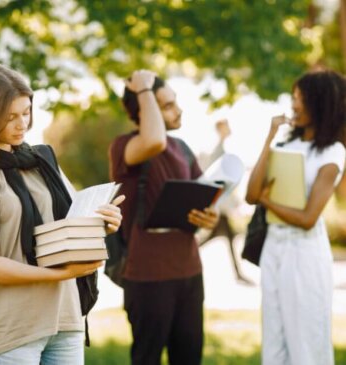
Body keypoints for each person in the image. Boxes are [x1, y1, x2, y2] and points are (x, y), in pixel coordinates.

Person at [0, 63, 124, 365]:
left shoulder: (41, 161)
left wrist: (104, 224)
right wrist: (55, 275)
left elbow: (71, 225)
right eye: (10, 117)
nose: (22, 124)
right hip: (12, 328)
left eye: (26, 112)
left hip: (65, 318)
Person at [109, 69, 219, 365]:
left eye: (175, 102)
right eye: (167, 106)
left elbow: (208, 193)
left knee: (189, 358)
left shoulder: (182, 148)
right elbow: (154, 140)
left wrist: (211, 215)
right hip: (147, 277)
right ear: (145, 109)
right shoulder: (125, 147)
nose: (179, 110)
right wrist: (144, 87)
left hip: (189, 272)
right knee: (147, 359)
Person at [246, 69, 346, 365]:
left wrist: (267, 199)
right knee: (274, 341)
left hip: (305, 253)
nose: (294, 104)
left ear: (320, 103)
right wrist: (270, 137)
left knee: (306, 342)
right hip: (273, 248)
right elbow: (251, 194)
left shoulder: (333, 152)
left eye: (300, 98)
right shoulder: (285, 145)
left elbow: (307, 218)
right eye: (293, 97)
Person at [197, 119, 253, 284]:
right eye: (226, 126)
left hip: (220, 207)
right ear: (220, 129)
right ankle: (239, 274)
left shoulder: (221, 150)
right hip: (218, 207)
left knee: (223, 238)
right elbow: (218, 180)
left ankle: (238, 273)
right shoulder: (217, 151)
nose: (230, 129)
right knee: (226, 238)